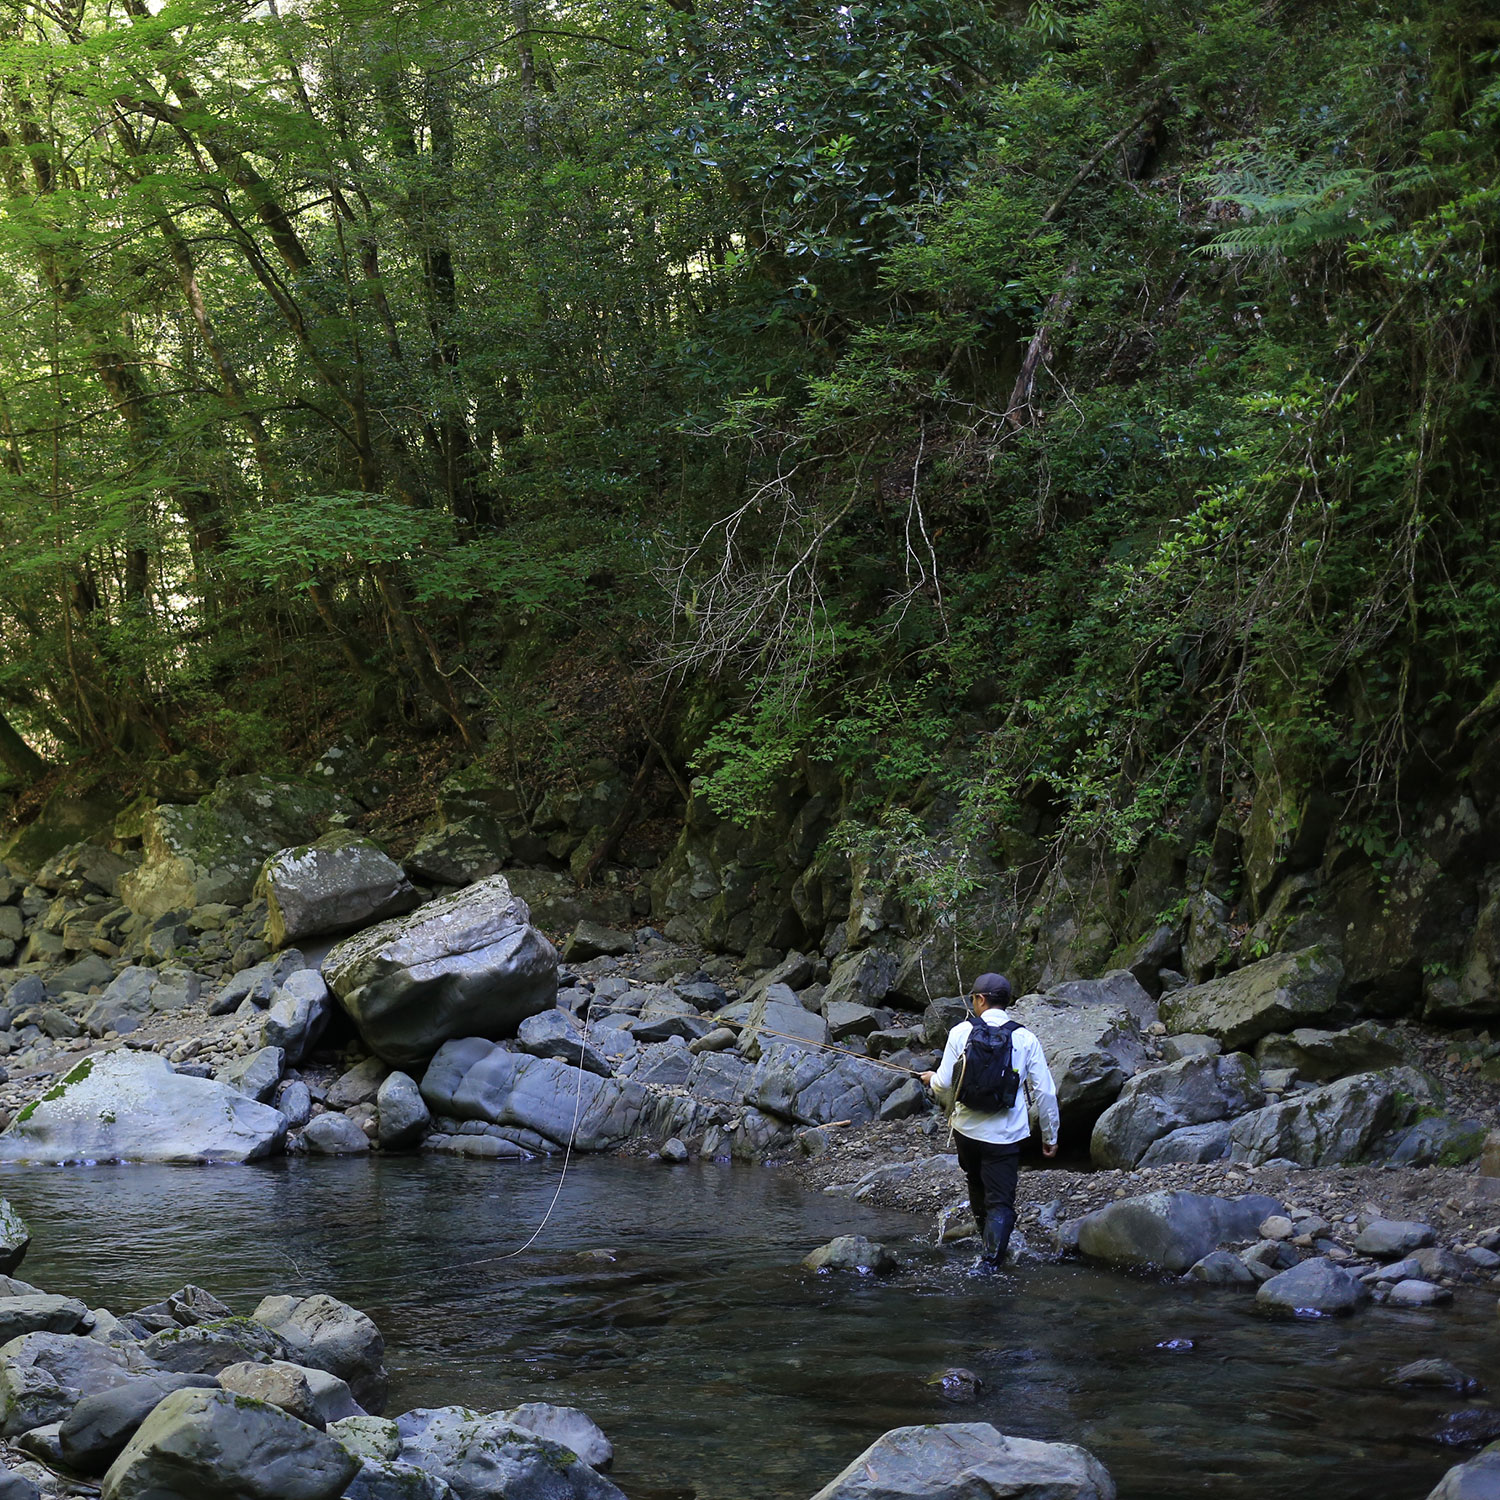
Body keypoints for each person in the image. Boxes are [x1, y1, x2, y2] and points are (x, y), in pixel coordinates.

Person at [920, 972, 1059, 1267]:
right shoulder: (1025, 1038)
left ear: (980, 999)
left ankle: (987, 1245)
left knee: (975, 1182)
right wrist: (1050, 1136)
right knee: (1001, 1201)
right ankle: (990, 1262)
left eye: (973, 999)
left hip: (965, 1131)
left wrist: (931, 1079)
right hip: (1005, 1136)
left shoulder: (961, 1032)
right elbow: (1046, 1092)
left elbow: (944, 1084)